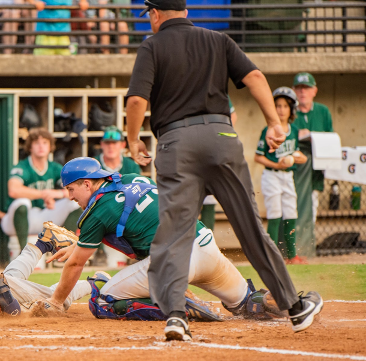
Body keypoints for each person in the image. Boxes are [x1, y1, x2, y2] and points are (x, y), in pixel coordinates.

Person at [123, 0, 322, 342]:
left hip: (175, 144)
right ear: (185, 11)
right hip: (222, 137)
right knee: (250, 228)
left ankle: (174, 316)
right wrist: (274, 123)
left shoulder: (151, 45)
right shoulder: (218, 40)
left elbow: (137, 101)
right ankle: (294, 307)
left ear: (154, 14)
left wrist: (133, 140)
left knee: (175, 234)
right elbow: (256, 77)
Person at [32, 158, 280, 324]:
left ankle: (175, 304)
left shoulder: (96, 211)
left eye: (71, 189)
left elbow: (76, 265)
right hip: (203, 242)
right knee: (246, 304)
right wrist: (80, 244)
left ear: (87, 184)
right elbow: (138, 219)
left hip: (172, 260)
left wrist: (55, 302)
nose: (70, 196)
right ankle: (284, 302)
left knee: (102, 302)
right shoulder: (130, 178)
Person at [2, 128, 81, 250]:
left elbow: (75, 190)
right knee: (22, 202)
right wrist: (44, 194)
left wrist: (56, 194)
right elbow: (13, 190)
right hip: (16, 220)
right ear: (30, 147)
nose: (41, 146)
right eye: (36, 143)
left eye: (45, 143)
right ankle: (24, 253)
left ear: (50, 147)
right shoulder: (22, 166)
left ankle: (65, 249)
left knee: (75, 203)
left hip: (43, 217)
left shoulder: (55, 167)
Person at [254, 87, 308, 265]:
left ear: (292, 109)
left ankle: (292, 255)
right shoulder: (267, 130)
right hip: (272, 176)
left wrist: (298, 157)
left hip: (287, 177)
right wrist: (277, 164)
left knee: (290, 213)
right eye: (277, 105)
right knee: (275, 214)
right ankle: (273, 255)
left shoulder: (293, 130)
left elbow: (297, 154)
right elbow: (258, 156)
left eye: (285, 106)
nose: (281, 109)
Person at [292, 72, 334, 257]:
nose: (303, 92)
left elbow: (331, 138)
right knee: (292, 211)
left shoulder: (323, 111)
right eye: (299, 88)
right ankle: (292, 252)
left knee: (312, 209)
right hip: (293, 173)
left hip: (315, 172)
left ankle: (306, 251)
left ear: (314, 91)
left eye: (307, 88)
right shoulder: (290, 111)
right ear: (294, 91)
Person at [200, 95, 236, 231]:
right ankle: (190, 245)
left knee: (209, 197)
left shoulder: (219, 91)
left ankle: (207, 241)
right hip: (193, 146)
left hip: (212, 148)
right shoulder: (189, 87)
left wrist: (221, 135)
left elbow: (233, 116)